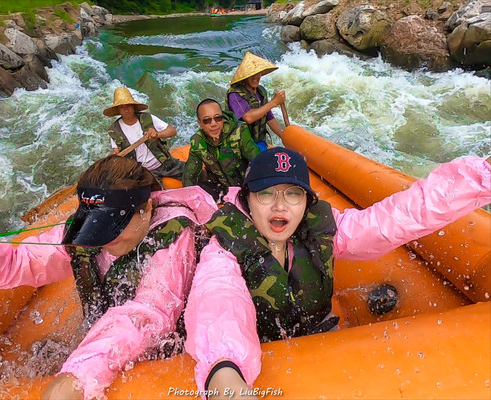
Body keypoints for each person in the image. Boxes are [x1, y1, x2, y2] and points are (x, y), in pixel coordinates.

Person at [183, 147, 491, 397]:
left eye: (293, 194)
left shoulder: (325, 229)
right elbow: (219, 300)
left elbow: (397, 218)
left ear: (306, 201)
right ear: (247, 199)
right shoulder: (223, 250)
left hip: (319, 340)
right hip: (258, 353)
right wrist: (225, 370)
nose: (280, 207)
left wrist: (480, 177)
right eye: (266, 193)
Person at [0, 155, 218, 400]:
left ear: (147, 208)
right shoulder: (85, 229)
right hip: (108, 338)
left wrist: (79, 374)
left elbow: (151, 312)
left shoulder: (174, 236)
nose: (104, 236)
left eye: (114, 223)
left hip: (166, 348)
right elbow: (17, 263)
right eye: (99, 224)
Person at [182, 98, 260, 202]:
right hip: (220, 187)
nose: (213, 124)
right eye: (207, 120)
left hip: (244, 184)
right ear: (200, 123)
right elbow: (190, 173)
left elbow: (256, 159)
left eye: (218, 118)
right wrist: (189, 199)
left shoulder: (239, 131)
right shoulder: (197, 141)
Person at [104, 86, 185, 183]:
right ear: (118, 110)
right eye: (122, 107)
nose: (126, 110)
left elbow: (172, 131)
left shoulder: (147, 118)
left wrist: (157, 135)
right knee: (156, 196)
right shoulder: (114, 130)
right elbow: (117, 152)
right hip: (144, 173)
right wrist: (113, 156)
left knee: (195, 173)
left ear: (133, 106)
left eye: (128, 106)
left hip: (165, 163)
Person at [226, 52, 286, 151]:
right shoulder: (235, 94)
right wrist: (274, 102)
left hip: (258, 141)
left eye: (257, 74)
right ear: (245, 77)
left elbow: (268, 117)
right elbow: (248, 117)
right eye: (251, 75)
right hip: (239, 144)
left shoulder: (261, 91)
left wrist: (283, 136)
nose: (255, 78)